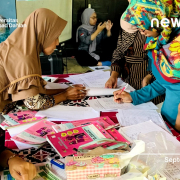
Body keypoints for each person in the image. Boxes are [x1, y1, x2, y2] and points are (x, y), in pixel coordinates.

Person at [0, 8, 87, 114]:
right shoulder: (24, 57)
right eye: (55, 37)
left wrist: (66, 89)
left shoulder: (19, 47)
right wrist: (65, 95)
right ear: (42, 33)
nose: (57, 43)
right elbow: (34, 103)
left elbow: (35, 92)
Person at [113, 26, 180, 131]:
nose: (140, 30)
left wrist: (177, 128)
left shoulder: (175, 48)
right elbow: (164, 83)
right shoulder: (161, 42)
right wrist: (134, 97)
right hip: (168, 123)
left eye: (143, 24)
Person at [105, 6, 164, 104]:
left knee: (149, 105)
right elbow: (119, 52)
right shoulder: (126, 26)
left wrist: (150, 76)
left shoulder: (151, 31)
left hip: (147, 76)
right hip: (127, 77)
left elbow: (161, 59)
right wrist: (114, 75)